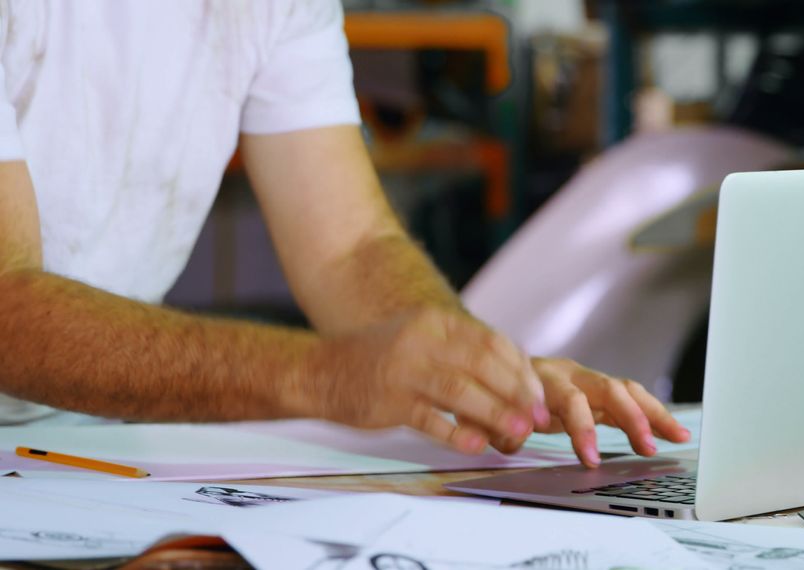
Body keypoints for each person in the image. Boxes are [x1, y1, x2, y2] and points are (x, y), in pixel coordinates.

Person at [0, 0, 689, 467]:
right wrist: (322, 376)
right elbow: (7, 306)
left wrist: (476, 376)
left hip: (75, 448)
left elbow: (351, 247)